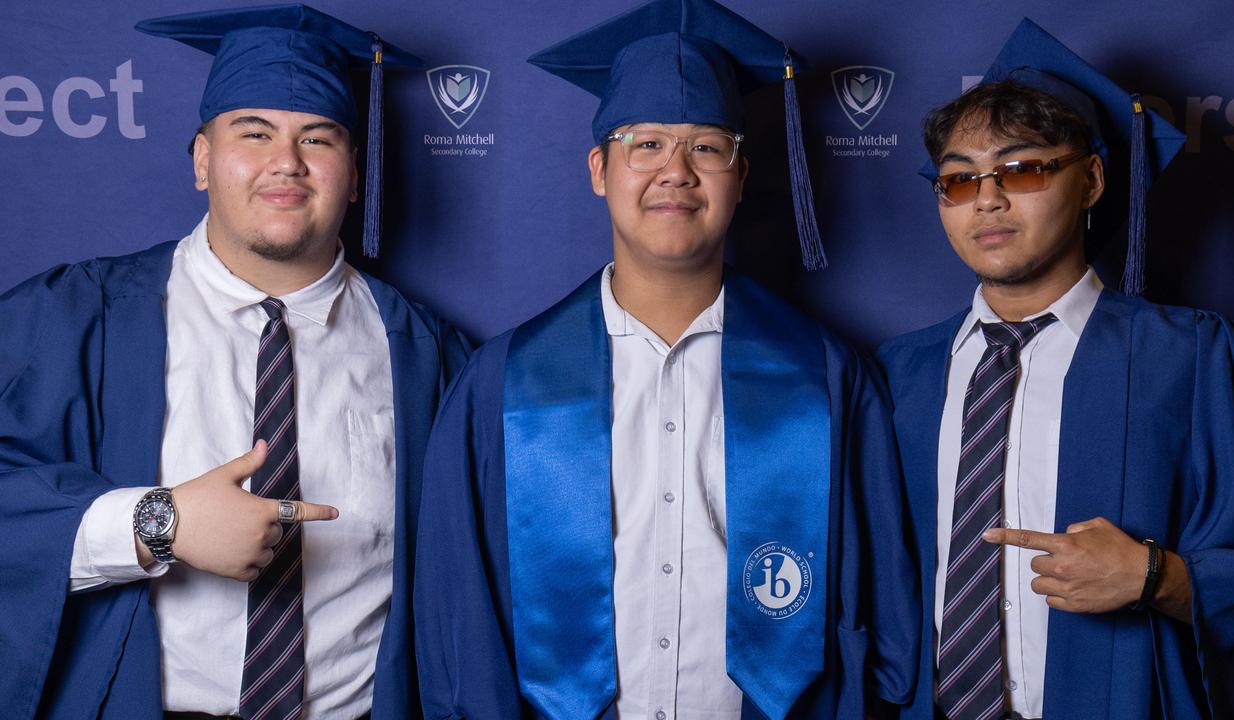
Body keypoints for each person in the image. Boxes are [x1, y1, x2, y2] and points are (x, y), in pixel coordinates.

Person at [412, 1, 918, 718]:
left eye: (707, 147)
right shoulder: (503, 383)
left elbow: (886, 616)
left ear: (741, 177)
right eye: (644, 144)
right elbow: (458, 619)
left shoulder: (828, 378)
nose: (676, 172)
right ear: (600, 169)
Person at [0, 5, 468, 719]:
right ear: (201, 159)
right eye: (254, 133)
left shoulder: (432, 358)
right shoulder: (66, 319)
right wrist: (158, 523)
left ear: (353, 174)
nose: (287, 161)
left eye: (319, 137)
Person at [876, 19, 1234, 720]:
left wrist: (1166, 579)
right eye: (959, 180)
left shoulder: (1200, 360)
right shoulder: (897, 378)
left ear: (1091, 179)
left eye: (1023, 168)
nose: (989, 199)